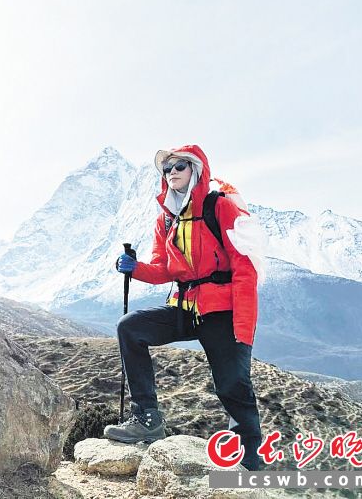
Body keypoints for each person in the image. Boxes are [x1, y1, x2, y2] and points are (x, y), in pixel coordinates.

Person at [104, 144, 262, 471]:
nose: (172, 173)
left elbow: (245, 270)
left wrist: (244, 330)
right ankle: (147, 419)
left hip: (221, 311)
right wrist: (135, 268)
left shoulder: (220, 208)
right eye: (167, 169)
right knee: (130, 328)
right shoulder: (166, 218)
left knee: (232, 385)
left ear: (196, 170)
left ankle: (248, 459)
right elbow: (164, 269)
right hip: (185, 308)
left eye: (180, 166)